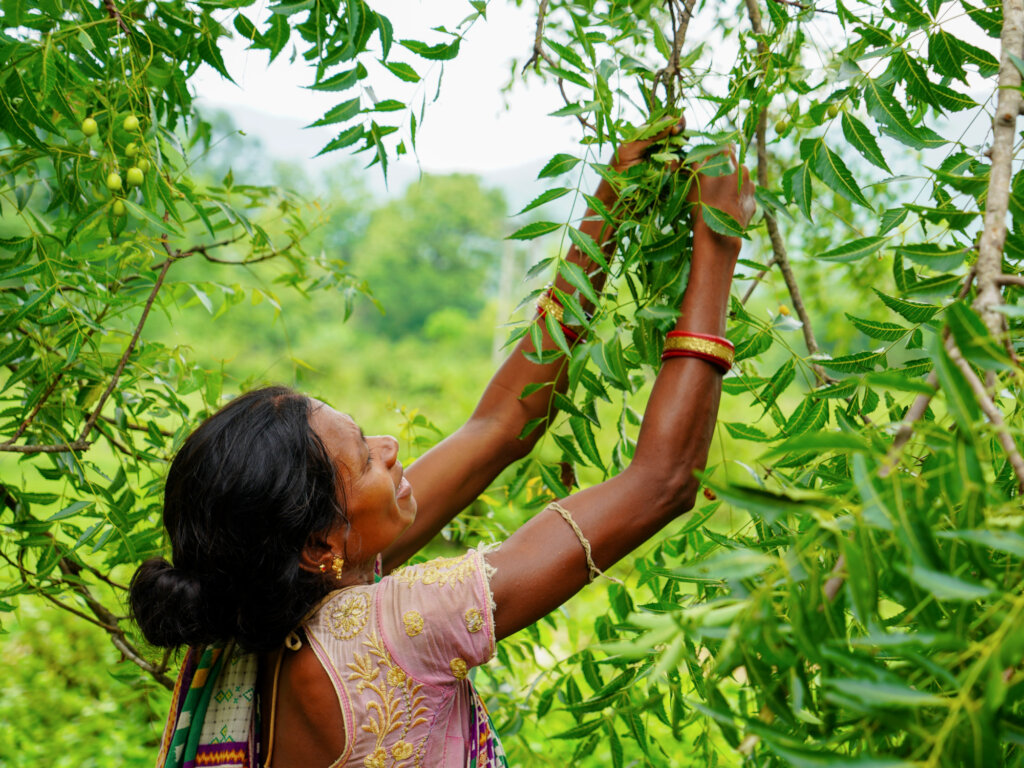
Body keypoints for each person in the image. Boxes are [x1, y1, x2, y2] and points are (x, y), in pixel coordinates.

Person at [129, 121, 755, 768]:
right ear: (318, 545)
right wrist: (718, 243)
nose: (392, 445)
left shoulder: (249, 614)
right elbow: (663, 482)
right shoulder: (393, 629)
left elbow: (501, 427)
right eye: (367, 458)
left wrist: (608, 206)